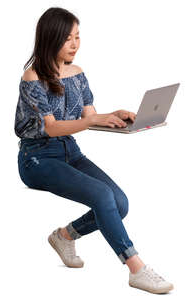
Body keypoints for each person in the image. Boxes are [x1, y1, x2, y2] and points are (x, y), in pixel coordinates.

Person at [14, 6, 174, 294]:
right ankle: (136, 269)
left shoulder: (77, 73)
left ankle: (64, 236)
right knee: (102, 196)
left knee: (120, 203)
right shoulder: (32, 77)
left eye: (78, 37)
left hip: (70, 150)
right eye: (68, 39)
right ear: (50, 39)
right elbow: (50, 127)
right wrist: (91, 120)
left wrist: (115, 117)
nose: (75, 44)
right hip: (36, 158)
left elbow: (89, 115)